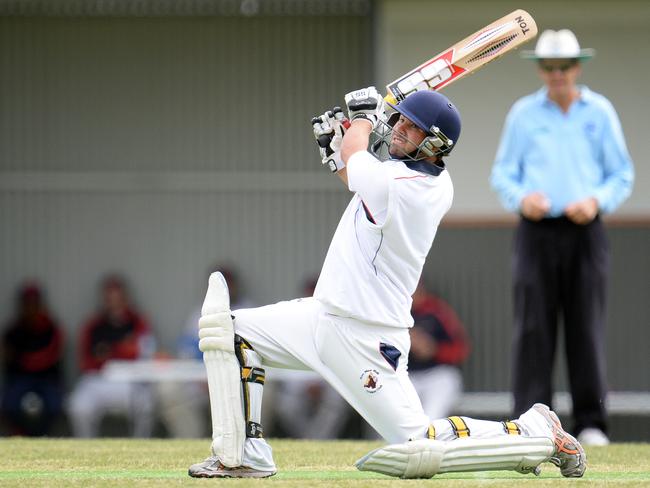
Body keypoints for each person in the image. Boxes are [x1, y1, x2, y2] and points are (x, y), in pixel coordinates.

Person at [188, 87, 586, 479]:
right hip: (321, 316)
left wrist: (360, 119)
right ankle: (244, 453)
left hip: (366, 337)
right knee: (229, 333)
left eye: (411, 128)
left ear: (435, 145)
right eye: (399, 120)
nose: (397, 129)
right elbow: (355, 172)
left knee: (417, 441)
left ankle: (531, 432)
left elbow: (360, 164)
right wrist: (339, 146)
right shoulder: (405, 177)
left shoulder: (406, 187)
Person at [490, 29, 634, 447]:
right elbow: (502, 173)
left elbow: (621, 174)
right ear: (541, 69)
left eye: (564, 67)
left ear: (577, 67)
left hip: (585, 230)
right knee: (532, 328)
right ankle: (531, 426)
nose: (557, 74)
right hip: (536, 231)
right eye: (549, 67)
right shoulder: (523, 114)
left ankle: (591, 423)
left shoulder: (599, 112)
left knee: (585, 326)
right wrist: (521, 199)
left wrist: (597, 201)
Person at [157, 265, 254, 438]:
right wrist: (204, 376)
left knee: (263, 392)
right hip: (202, 380)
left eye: (227, 284)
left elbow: (253, 353)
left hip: (238, 379)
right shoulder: (199, 313)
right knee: (169, 390)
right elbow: (187, 352)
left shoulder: (248, 311)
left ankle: (250, 443)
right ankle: (190, 442)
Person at [67, 275, 156, 437]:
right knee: (78, 405)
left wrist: (113, 351)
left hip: (129, 379)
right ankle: (85, 449)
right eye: (110, 298)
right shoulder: (93, 325)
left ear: (125, 298)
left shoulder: (137, 322)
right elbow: (86, 361)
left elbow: (144, 353)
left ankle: (142, 448)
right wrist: (121, 350)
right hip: (98, 378)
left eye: (118, 297)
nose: (114, 302)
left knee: (146, 404)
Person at [1, 283, 64, 436]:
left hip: (46, 379)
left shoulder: (51, 328)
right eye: (27, 303)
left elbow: (50, 356)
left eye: (34, 303)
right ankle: (21, 434)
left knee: (54, 404)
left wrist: (23, 360)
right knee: (9, 403)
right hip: (20, 379)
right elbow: (6, 358)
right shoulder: (14, 329)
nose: (30, 307)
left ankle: (42, 435)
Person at [409, 280, 470, 420]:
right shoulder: (393, 313)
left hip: (436, 375)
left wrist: (433, 350)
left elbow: (461, 349)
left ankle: (428, 435)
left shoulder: (436, 311)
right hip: (406, 376)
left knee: (447, 382)